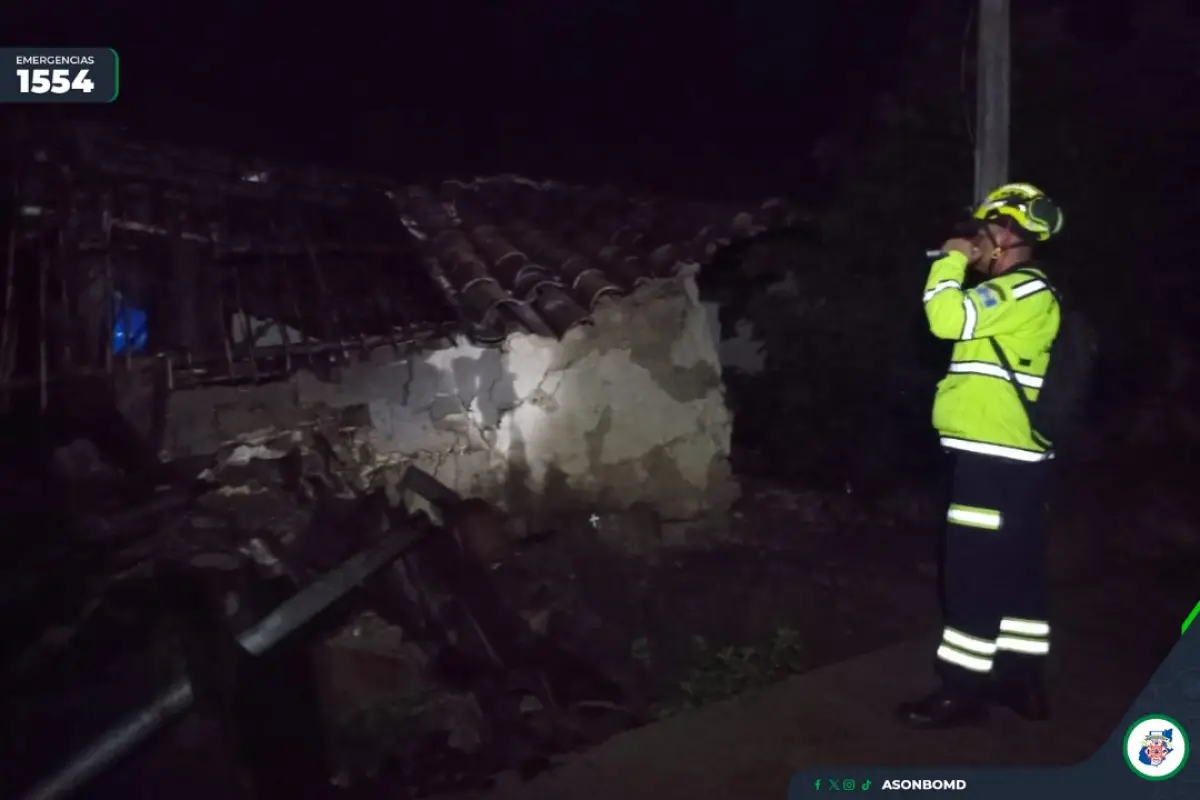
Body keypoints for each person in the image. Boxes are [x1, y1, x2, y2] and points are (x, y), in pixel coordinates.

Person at [897, 182, 1065, 729]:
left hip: (993, 463)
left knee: (970, 576)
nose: (976, 243)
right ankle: (1022, 685)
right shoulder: (1024, 297)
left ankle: (962, 693)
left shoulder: (1022, 292)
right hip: (1015, 461)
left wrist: (948, 262)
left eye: (984, 233)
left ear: (1009, 235)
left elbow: (946, 320)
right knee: (1016, 576)